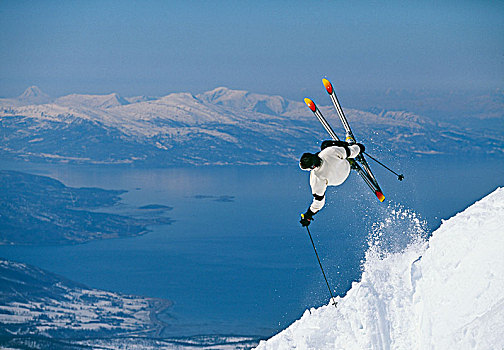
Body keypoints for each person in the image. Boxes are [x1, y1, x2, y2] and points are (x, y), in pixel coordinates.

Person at [299, 140, 365, 227]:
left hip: (340, 179)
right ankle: (351, 157)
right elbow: (351, 151)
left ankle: (352, 162)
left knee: (332, 153)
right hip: (345, 166)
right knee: (325, 145)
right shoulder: (329, 151)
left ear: (312, 167)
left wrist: (309, 214)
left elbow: (319, 201)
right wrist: (359, 148)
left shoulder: (316, 178)